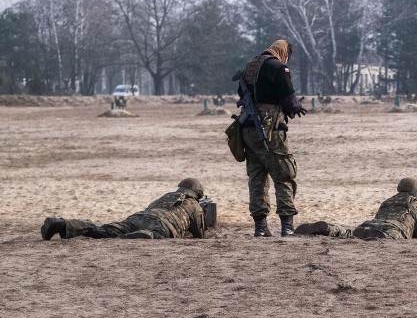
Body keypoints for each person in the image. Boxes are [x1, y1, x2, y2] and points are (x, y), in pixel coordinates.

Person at [238, 39, 308, 237]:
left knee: (257, 177)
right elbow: (288, 97)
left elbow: (241, 93)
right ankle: (287, 226)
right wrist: (297, 107)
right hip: (270, 129)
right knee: (284, 174)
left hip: (247, 128)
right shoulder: (278, 67)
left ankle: (260, 228)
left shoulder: (250, 66)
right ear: (284, 53)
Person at [41, 178, 208, 240]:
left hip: (139, 216)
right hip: (163, 225)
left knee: (103, 230)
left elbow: (151, 208)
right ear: (197, 194)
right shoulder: (194, 205)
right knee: (158, 235)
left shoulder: (167, 195)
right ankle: (146, 236)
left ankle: (63, 224)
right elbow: (199, 234)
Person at [295, 178, 417, 240]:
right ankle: (380, 237)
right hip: (394, 228)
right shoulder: (415, 203)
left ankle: (330, 229)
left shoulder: (387, 201)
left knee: (350, 233)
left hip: (373, 224)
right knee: (391, 238)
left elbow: (379, 216)